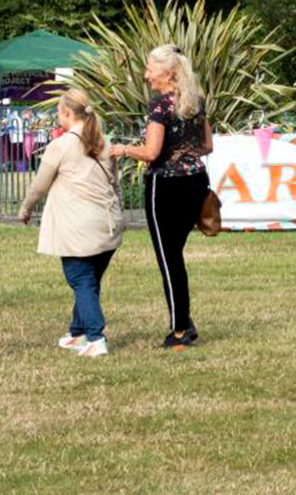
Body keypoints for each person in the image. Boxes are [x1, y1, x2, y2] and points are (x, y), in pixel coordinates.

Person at [107, 44, 212, 348]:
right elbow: (207, 146)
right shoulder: (196, 102)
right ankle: (184, 320)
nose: (146, 75)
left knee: (168, 260)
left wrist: (124, 149)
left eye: (150, 69)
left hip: (165, 187)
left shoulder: (160, 106)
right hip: (196, 182)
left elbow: (151, 152)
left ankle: (180, 331)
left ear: (166, 73)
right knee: (174, 256)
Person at [18, 89, 124, 356]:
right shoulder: (104, 143)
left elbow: (39, 186)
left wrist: (25, 209)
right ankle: (77, 332)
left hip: (77, 228)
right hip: (107, 224)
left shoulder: (60, 146)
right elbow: (115, 183)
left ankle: (95, 337)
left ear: (66, 114)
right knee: (90, 280)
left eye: (59, 114)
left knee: (80, 279)